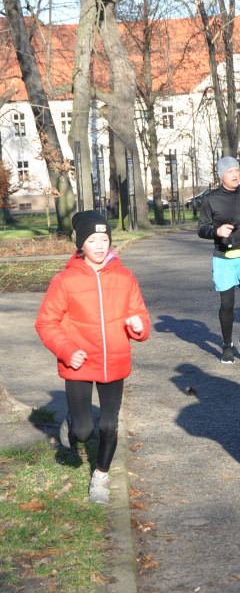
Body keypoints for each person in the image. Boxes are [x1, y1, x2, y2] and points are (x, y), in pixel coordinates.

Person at [35, 210, 150, 504]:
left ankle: (101, 476)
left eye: (105, 239)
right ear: (81, 245)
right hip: (80, 363)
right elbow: (46, 323)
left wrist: (139, 325)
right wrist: (67, 350)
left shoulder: (125, 277)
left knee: (109, 425)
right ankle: (72, 423)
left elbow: (139, 312)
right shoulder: (64, 280)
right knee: (84, 432)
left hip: (115, 362)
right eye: (92, 240)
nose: (100, 245)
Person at [198, 157, 240, 364]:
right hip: (224, 259)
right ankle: (227, 345)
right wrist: (216, 231)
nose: (235, 174)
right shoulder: (211, 199)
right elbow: (201, 228)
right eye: (230, 171)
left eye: (237, 170)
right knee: (227, 305)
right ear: (221, 175)